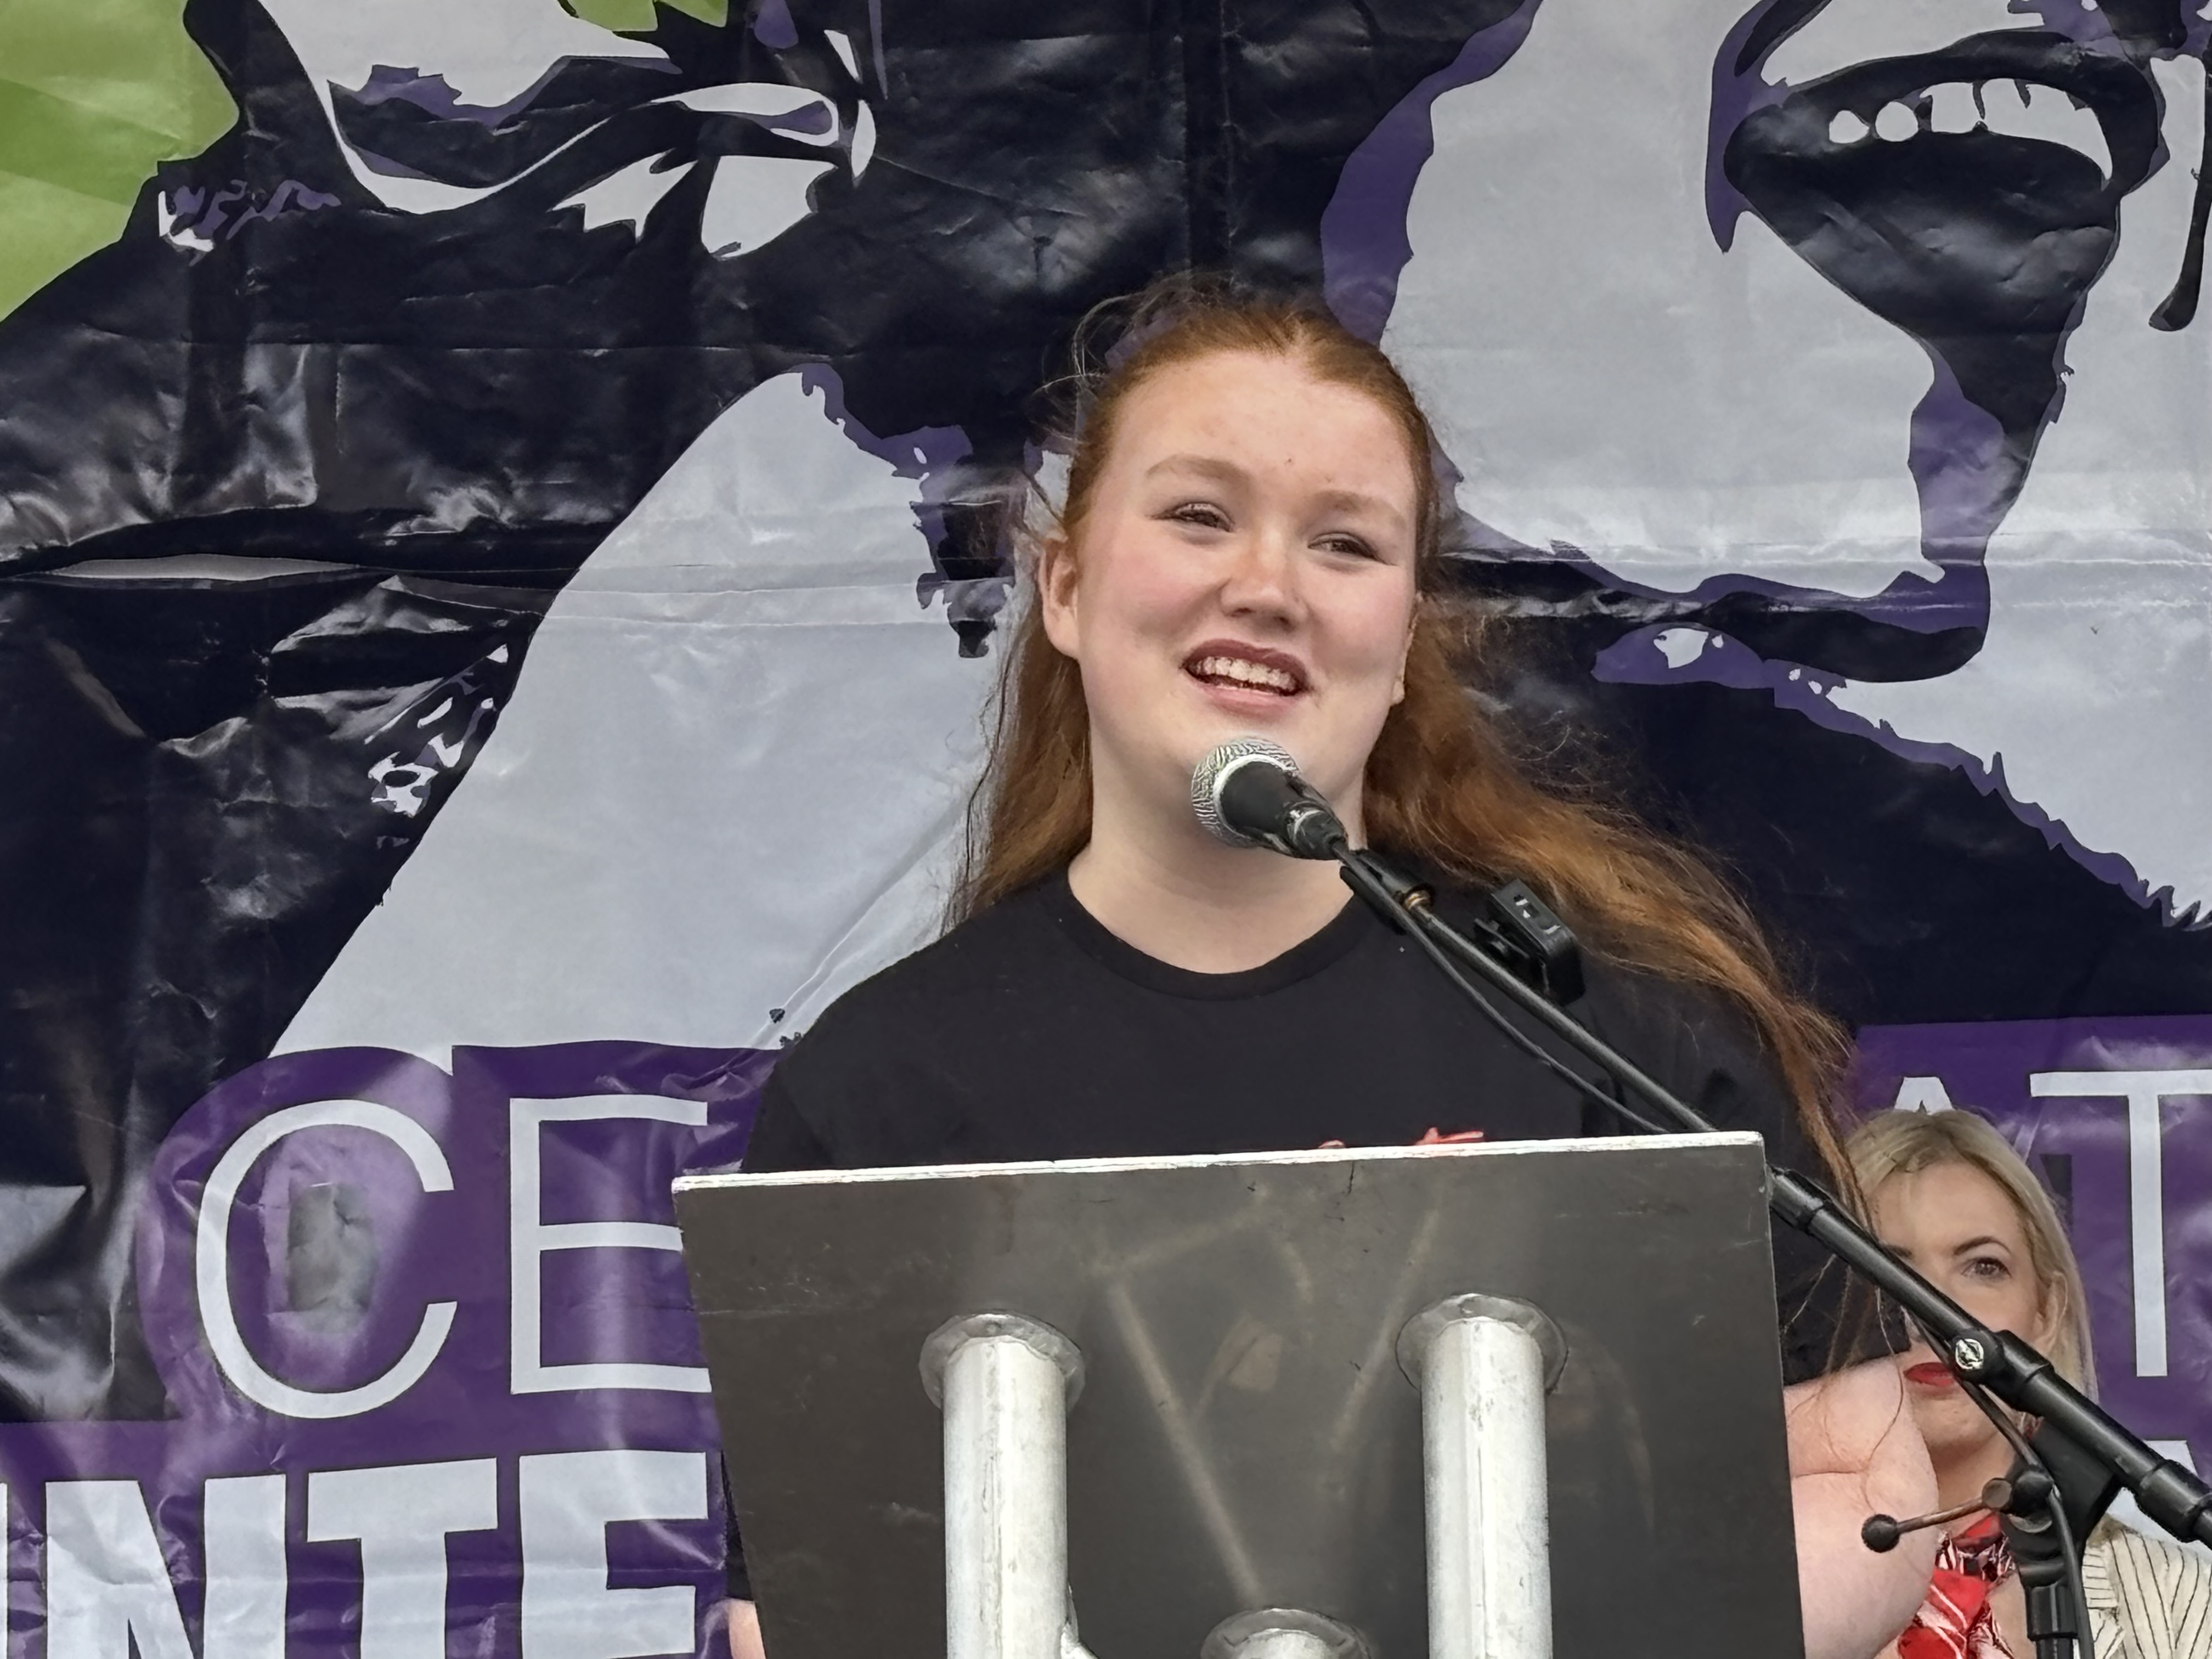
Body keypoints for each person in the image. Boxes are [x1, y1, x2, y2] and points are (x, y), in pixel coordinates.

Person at [725, 278, 1939, 1658]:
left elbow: (1860, 1480)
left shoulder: (1609, 1031)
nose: (1266, 587)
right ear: (1062, 585)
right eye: (1199, 515)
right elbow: (794, 1612)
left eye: (1346, 544)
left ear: (1406, 632)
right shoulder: (881, 1087)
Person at [1848, 1107, 2212, 1659]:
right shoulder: (1746, 1588)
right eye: (1886, 1272)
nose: (1937, 1313)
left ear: (2047, 1312)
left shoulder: (2185, 1603)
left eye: (1983, 1267)